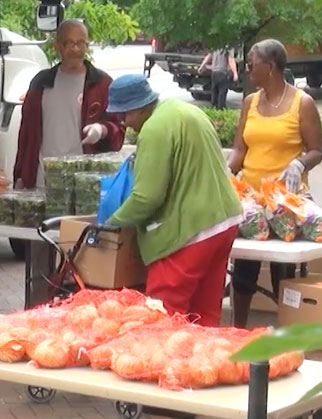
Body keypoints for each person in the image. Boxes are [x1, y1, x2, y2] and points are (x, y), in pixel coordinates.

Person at [104, 74, 242, 325]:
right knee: (204, 315)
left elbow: (147, 197)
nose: (122, 122)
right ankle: (203, 363)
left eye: (124, 114)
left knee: (163, 315)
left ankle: (164, 365)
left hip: (188, 231)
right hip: (224, 222)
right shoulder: (185, 112)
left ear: (140, 106)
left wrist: (111, 223)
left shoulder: (155, 129)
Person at [228, 39, 322, 328]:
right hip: (252, 200)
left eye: (251, 64)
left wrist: (300, 163)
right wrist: (226, 172)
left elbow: (316, 150)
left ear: (269, 67)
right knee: (244, 267)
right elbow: (239, 150)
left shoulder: (302, 103)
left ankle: (286, 331)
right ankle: (239, 328)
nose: (247, 69)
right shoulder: (250, 102)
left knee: (284, 270)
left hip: (285, 200)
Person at [12, 19, 125, 189]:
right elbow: (26, 134)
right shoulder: (41, 83)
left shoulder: (101, 84)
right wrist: (20, 175)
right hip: (42, 180)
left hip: (83, 183)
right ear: (57, 46)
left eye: (81, 43)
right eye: (69, 43)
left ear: (87, 45)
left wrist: (102, 130)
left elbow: (119, 129)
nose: (75, 49)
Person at [201, 45, 239, 110]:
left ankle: (213, 108)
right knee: (222, 92)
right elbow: (231, 60)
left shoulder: (215, 46)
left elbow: (209, 56)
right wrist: (235, 73)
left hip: (214, 73)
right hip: (223, 73)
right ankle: (221, 109)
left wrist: (201, 67)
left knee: (214, 92)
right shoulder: (229, 47)